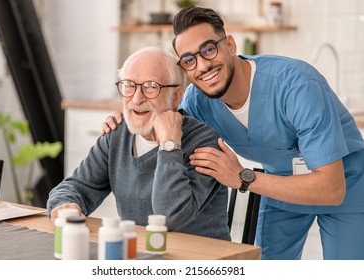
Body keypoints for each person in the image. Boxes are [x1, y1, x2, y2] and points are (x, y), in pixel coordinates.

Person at [101, 6, 364, 260]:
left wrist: (243, 177)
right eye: (190, 60)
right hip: (280, 185)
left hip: (345, 183)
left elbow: (332, 188)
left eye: (209, 49)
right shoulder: (197, 100)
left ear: (230, 45)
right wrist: (127, 118)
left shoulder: (297, 85)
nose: (202, 65)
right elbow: (162, 116)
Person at [47, 46, 231, 241]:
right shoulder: (117, 134)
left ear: (176, 96)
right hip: (139, 255)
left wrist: (169, 144)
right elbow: (76, 186)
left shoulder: (204, 142)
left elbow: (169, 217)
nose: (136, 98)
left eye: (151, 86)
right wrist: (64, 204)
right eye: (129, 85)